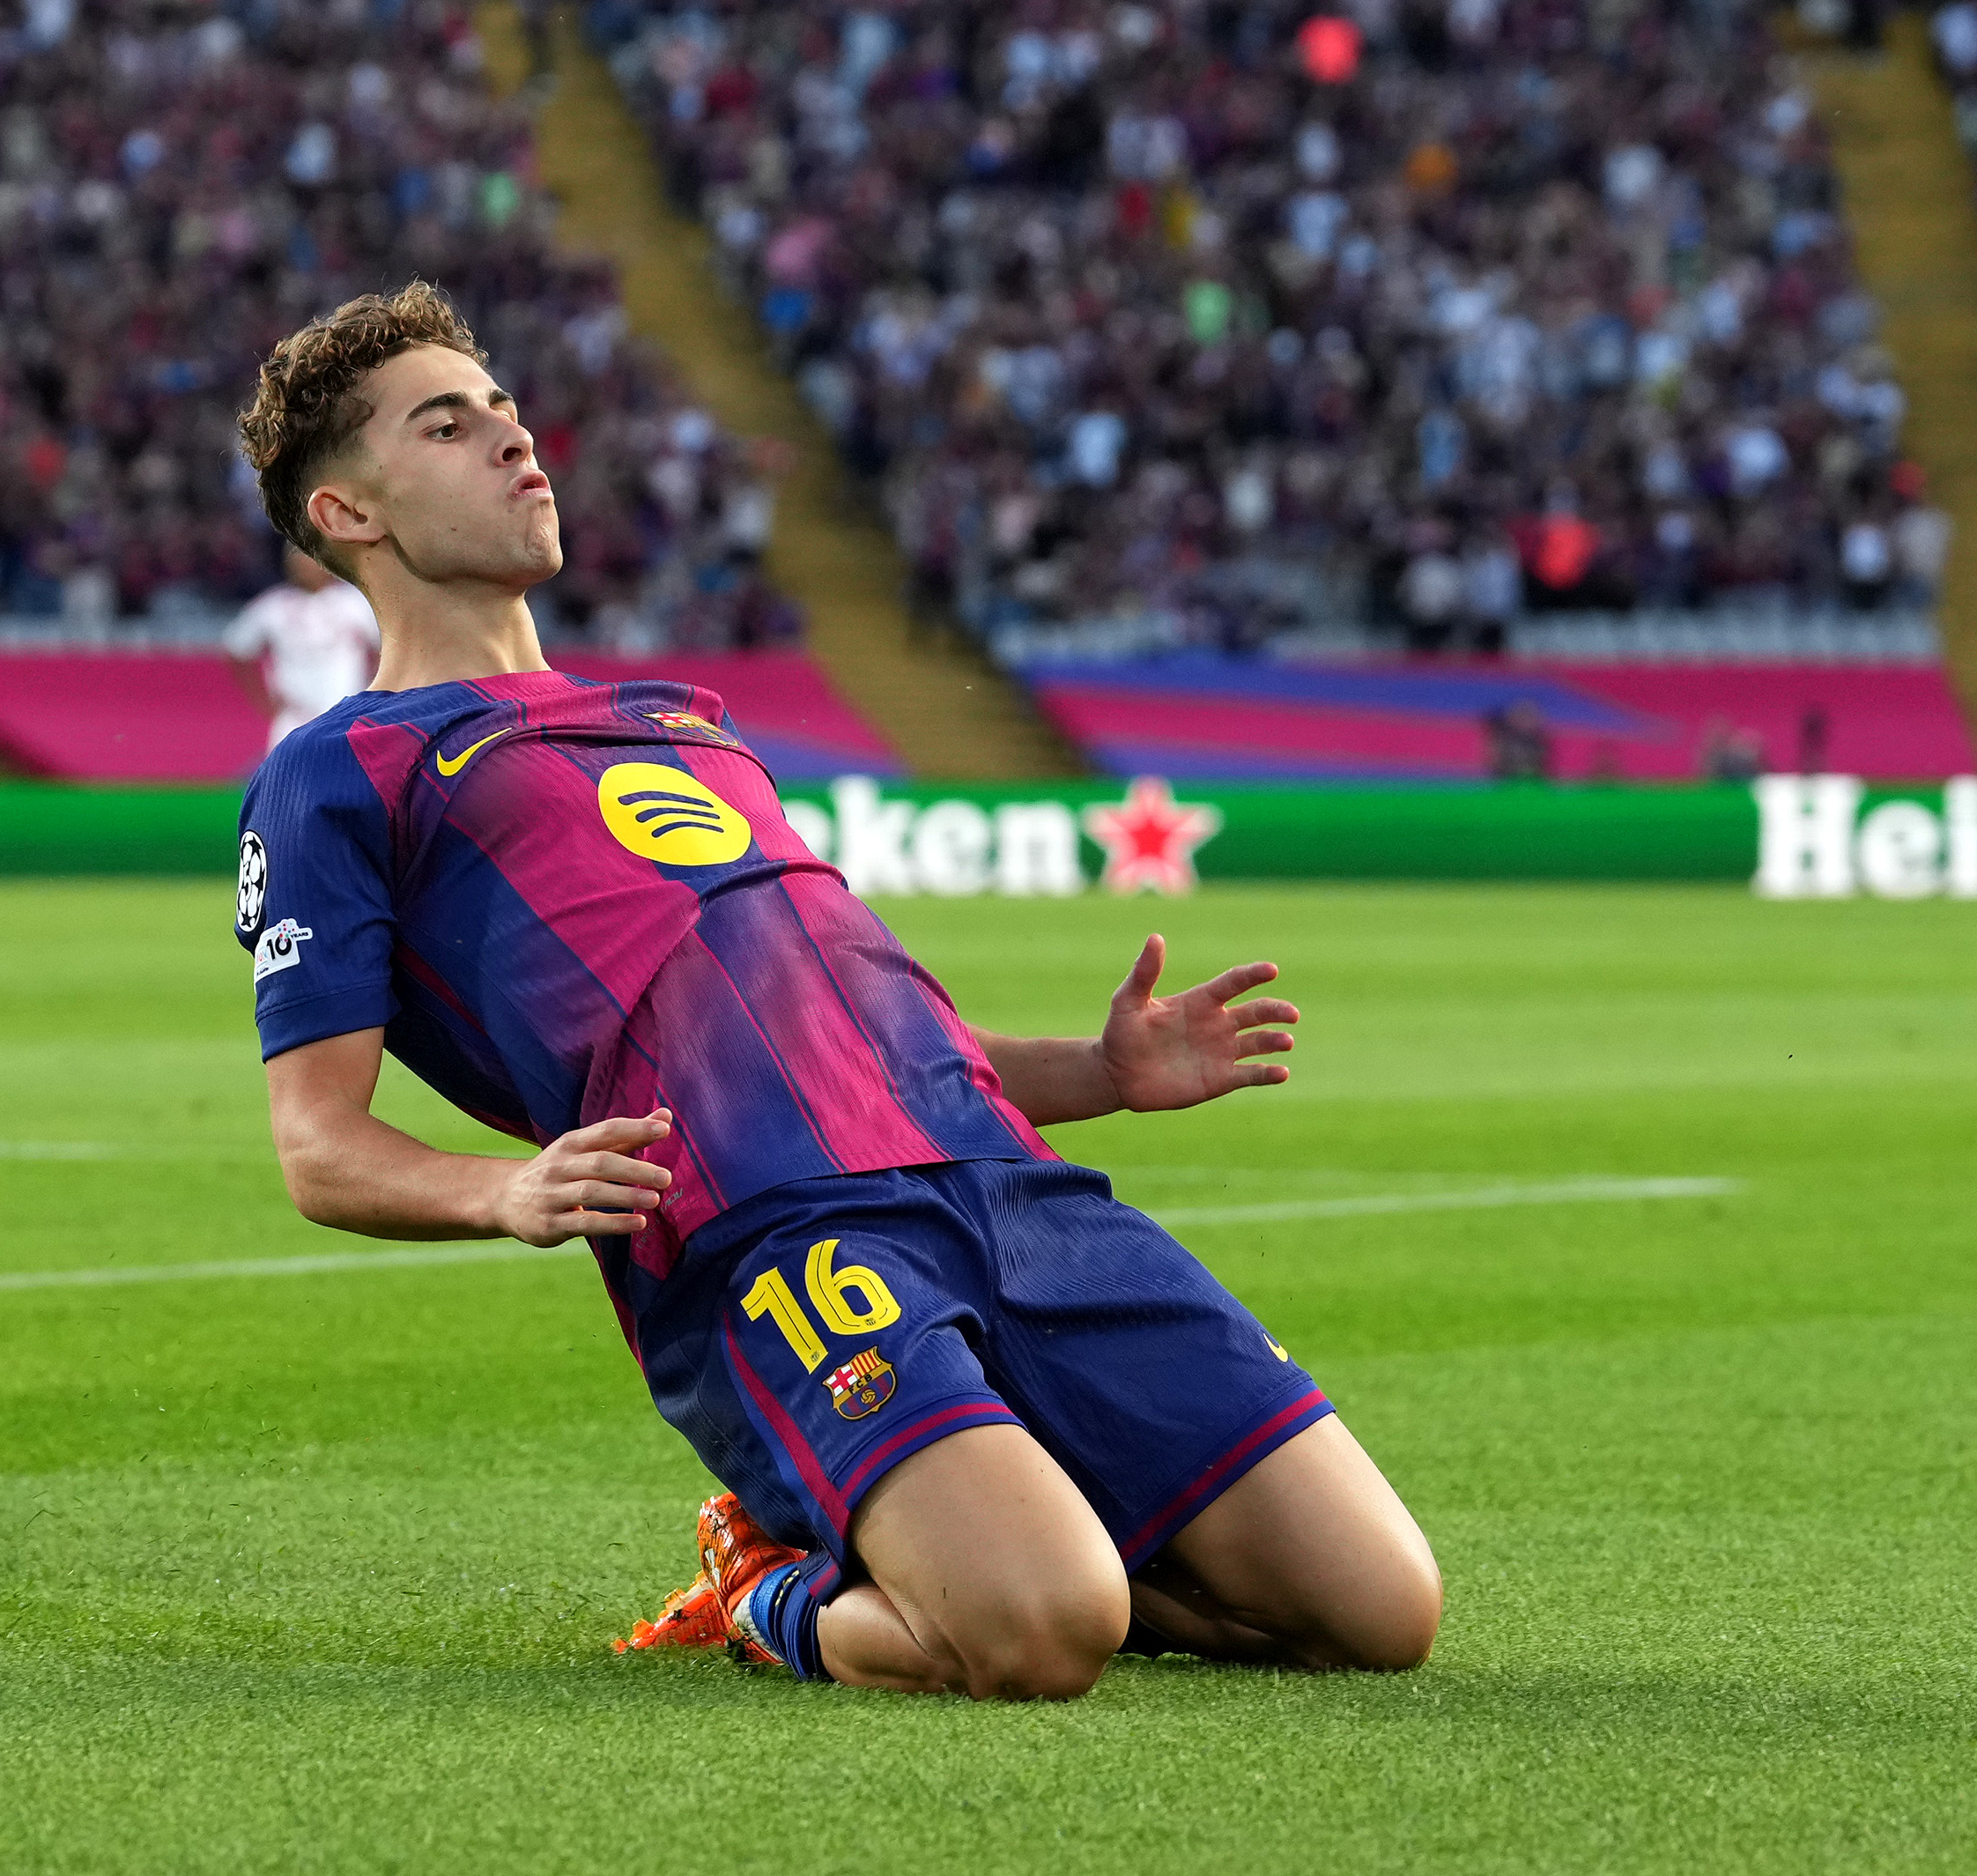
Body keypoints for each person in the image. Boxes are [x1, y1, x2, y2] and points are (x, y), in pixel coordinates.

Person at [231, 284, 1440, 1701]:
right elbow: (319, 1147)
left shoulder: (681, 721)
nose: (515, 442)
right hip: (771, 1228)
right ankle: (766, 1577)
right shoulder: (342, 768)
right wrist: (499, 1192)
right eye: (448, 426)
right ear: (347, 516)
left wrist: (1097, 1074)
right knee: (1043, 1636)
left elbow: (844, 1030)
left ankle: (977, 1529)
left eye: (505, 409)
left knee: (1377, 1614)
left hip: (1004, 1181)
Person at [223, 545, 383, 749]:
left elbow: (384, 649)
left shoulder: (355, 602)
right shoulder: (273, 606)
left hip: (347, 715)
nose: (304, 566)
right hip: (294, 718)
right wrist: (265, 702)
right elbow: (238, 649)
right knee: (285, 778)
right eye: (297, 560)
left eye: (309, 560)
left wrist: (373, 691)